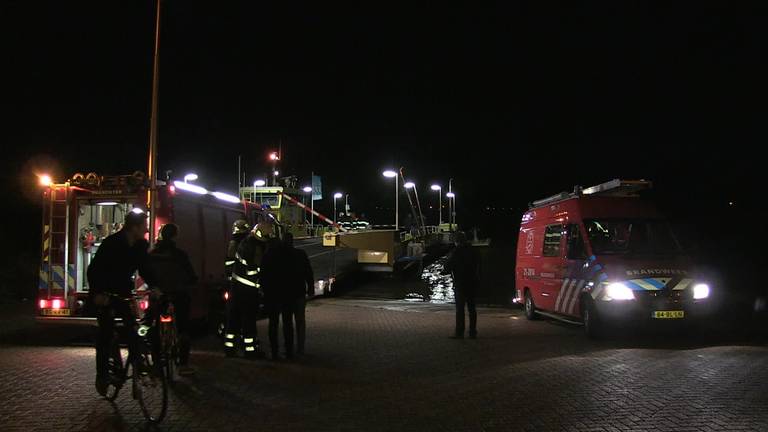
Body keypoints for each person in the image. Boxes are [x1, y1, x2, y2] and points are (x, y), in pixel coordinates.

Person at [87, 209, 156, 396]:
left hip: (123, 292)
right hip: (106, 292)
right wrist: (99, 294)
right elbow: (94, 270)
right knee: (106, 334)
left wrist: (156, 287)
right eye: (144, 226)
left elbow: (146, 269)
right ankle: (102, 375)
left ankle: (138, 364)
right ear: (134, 227)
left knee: (134, 328)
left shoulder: (140, 245)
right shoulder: (112, 243)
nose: (147, 230)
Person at [149, 223, 198, 376]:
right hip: (178, 294)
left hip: (159, 295)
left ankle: (156, 363)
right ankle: (183, 365)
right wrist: (192, 282)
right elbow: (190, 274)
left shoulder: (152, 254)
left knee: (155, 327)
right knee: (183, 328)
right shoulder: (180, 255)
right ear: (175, 236)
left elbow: (147, 273)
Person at [261, 233, 314, 360]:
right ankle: (292, 351)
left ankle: (275, 352)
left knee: (274, 324)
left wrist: (265, 291)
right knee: (291, 323)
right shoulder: (299, 254)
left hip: (276, 295)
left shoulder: (271, 256)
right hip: (294, 294)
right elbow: (308, 272)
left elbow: (264, 275)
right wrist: (310, 288)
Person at [224, 221, 272, 358]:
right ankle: (250, 351)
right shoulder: (255, 247)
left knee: (233, 320)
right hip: (248, 292)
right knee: (248, 321)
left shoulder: (244, 243)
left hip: (236, 288)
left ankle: (229, 349)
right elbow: (254, 270)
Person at [444, 231, 480, 339]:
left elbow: (447, 267)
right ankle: (473, 331)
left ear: (456, 241)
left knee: (460, 309)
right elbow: (479, 265)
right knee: (472, 308)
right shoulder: (474, 251)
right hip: (472, 282)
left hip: (460, 283)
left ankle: (459, 332)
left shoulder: (456, 252)